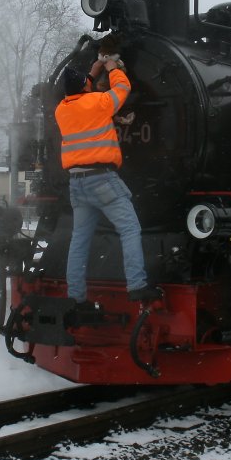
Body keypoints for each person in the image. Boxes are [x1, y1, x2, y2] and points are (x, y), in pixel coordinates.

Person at [55, 52, 161, 313]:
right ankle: (137, 285)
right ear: (85, 87)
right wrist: (112, 68)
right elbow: (123, 88)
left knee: (79, 240)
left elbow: (80, 91)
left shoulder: (62, 110)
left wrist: (93, 69)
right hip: (101, 179)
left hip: (76, 184)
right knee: (129, 228)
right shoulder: (99, 103)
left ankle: (76, 298)